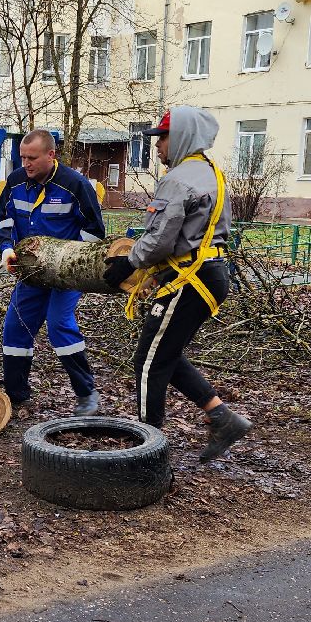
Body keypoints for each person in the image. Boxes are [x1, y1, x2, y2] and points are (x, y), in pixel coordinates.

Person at [103, 106, 252, 461]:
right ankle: (222, 417)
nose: (157, 147)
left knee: (148, 362)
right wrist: (157, 274)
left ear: (181, 137)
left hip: (192, 279)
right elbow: (194, 236)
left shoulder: (178, 179)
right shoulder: (211, 173)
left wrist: (129, 263)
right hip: (206, 275)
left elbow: (160, 238)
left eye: (162, 138)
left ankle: (147, 451)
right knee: (164, 354)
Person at [0, 128, 106, 416]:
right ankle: (16, 396)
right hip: (30, 272)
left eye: (32, 158)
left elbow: (95, 232)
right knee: (15, 328)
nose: (26, 164)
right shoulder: (16, 182)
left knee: (59, 324)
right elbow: (4, 220)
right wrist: (7, 248)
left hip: (66, 275)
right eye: (22, 158)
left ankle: (86, 395)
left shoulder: (75, 185)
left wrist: (71, 261)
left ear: (51, 155)